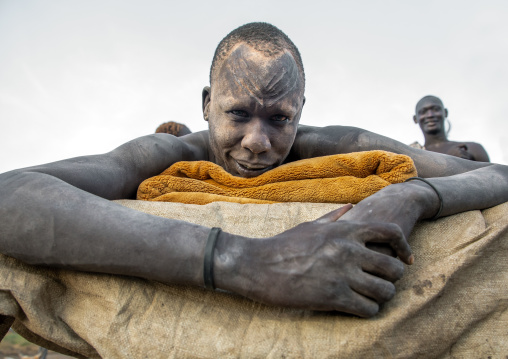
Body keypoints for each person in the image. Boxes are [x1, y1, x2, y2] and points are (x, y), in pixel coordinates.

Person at [0, 23, 507, 319]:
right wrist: (244, 261)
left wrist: (411, 196)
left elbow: (497, 173)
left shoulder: (338, 146)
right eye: (238, 114)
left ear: (301, 111)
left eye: (279, 118)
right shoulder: (165, 152)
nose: (258, 143)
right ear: (206, 104)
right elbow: (11, 195)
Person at [411, 95, 490, 162]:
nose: (430, 115)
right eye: (423, 112)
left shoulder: (472, 148)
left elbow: (493, 177)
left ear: (445, 113)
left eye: (436, 109)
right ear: (415, 119)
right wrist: (449, 160)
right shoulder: (412, 156)